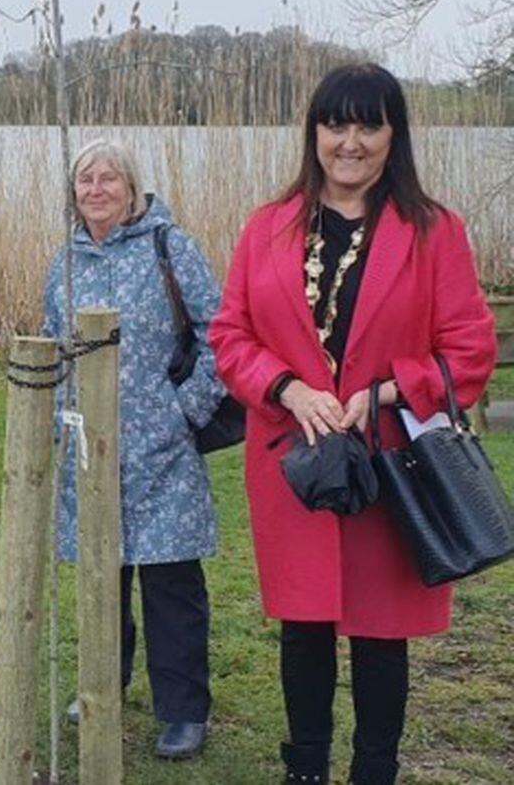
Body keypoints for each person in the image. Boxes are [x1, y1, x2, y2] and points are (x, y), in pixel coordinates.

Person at [209, 63, 497, 785]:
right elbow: (230, 336)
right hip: (295, 460)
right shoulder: (268, 228)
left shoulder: (434, 232)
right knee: (303, 624)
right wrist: (287, 388)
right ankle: (304, 767)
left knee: (380, 632)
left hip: (388, 464)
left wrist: (392, 391)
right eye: (336, 123)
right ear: (314, 133)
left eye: (369, 124)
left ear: (393, 135)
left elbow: (469, 349)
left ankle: (376, 770)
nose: (350, 141)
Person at [42, 139, 225, 760]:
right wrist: (54, 423)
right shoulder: (65, 261)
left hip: (162, 446)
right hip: (90, 448)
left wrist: (187, 410)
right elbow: (52, 340)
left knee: (170, 582)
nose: (96, 190)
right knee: (102, 574)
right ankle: (104, 684)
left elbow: (220, 333)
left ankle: (184, 709)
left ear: (132, 187)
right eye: (85, 180)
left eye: (109, 179)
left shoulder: (171, 247)